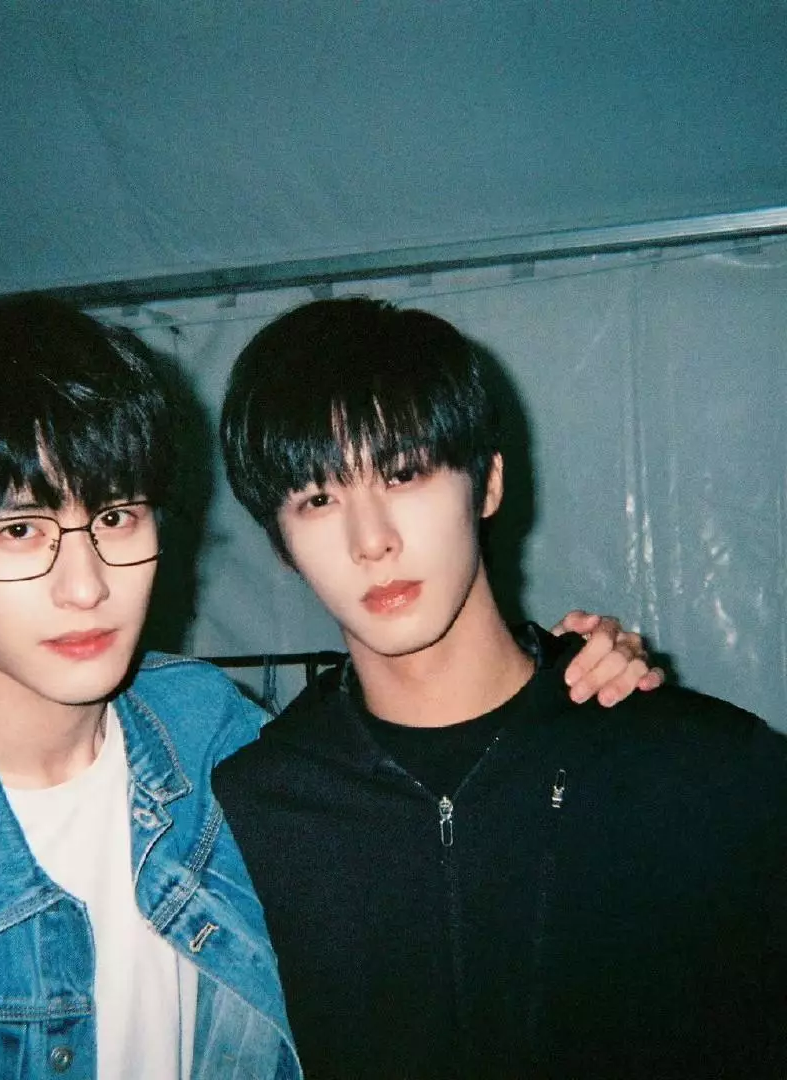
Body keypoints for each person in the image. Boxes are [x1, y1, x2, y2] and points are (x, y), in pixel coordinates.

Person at [0, 295, 657, 1079]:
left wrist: (569, 670)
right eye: (20, 531)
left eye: (116, 517)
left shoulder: (212, 738)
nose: (86, 585)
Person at [214, 296, 787, 1079]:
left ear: (486, 484)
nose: (371, 540)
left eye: (404, 473)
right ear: (281, 544)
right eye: (318, 499)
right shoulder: (253, 813)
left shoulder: (704, 767)